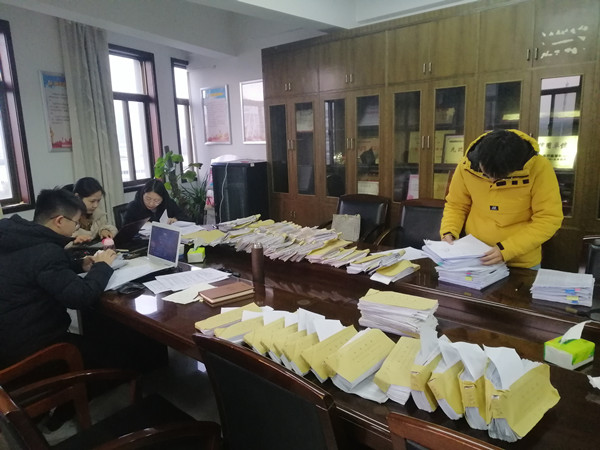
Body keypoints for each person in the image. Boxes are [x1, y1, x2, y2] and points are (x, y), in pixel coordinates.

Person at [0, 188, 118, 369]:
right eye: (76, 223)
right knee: (119, 352)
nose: (76, 228)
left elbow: (34, 269)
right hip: (36, 353)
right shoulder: (46, 251)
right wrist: (102, 266)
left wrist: (80, 265)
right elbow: (80, 297)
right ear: (60, 221)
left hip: (9, 341)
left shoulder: (16, 237)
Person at [440, 129, 563, 268]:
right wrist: (449, 230)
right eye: (486, 175)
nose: (492, 181)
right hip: (475, 256)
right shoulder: (466, 166)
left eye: (500, 177)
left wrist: (507, 249)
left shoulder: (539, 168)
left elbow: (548, 218)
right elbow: (456, 204)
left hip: (520, 261)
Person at [71, 177, 118, 245]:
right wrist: (74, 241)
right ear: (77, 197)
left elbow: (111, 227)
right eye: (92, 201)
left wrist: (104, 230)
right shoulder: (69, 218)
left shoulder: (97, 213)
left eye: (98, 201)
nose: (95, 205)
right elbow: (62, 243)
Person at [123, 178, 189, 225]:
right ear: (143, 194)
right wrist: (139, 225)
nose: (151, 204)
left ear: (162, 199)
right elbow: (125, 230)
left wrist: (176, 219)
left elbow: (185, 218)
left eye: (156, 200)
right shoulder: (133, 207)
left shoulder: (168, 203)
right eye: (148, 199)